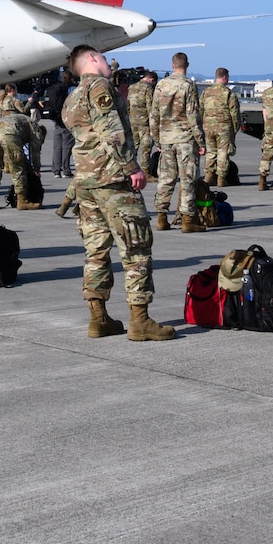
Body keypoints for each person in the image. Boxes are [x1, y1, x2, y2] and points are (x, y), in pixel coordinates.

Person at [64, 45, 169, 339]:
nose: (109, 63)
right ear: (93, 59)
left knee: (96, 251)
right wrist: (132, 167)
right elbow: (112, 131)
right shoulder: (100, 87)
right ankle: (140, 320)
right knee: (136, 248)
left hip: (86, 183)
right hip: (112, 181)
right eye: (104, 57)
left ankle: (98, 318)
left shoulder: (72, 97)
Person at [150, 53, 206, 232]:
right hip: (185, 139)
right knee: (187, 179)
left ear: (172, 65)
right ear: (187, 65)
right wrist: (200, 141)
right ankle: (188, 220)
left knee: (166, 179)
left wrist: (156, 138)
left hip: (166, 139)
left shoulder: (161, 84)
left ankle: (161, 217)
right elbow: (193, 115)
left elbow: (154, 114)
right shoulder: (188, 85)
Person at [0, 84, 39, 209]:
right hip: (10, 132)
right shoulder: (33, 125)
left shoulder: (2, 102)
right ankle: (22, 200)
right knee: (18, 167)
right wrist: (36, 168)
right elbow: (35, 150)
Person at [201, 68, 242, 187]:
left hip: (208, 127)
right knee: (223, 152)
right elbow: (235, 114)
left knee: (210, 152)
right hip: (223, 127)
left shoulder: (206, 92)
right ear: (224, 77)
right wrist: (234, 129)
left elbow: (200, 109)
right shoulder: (228, 93)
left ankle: (209, 175)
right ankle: (221, 178)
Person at [126, 72, 156, 181]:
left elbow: (128, 105)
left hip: (132, 121)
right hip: (145, 123)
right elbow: (150, 108)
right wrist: (154, 125)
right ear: (151, 80)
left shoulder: (131, 87)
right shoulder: (148, 89)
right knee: (146, 149)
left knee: (132, 148)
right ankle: (145, 172)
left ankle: (130, 171)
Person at [47, 69, 75, 176]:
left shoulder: (57, 88)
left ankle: (56, 170)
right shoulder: (71, 88)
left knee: (57, 147)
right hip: (66, 119)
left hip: (56, 119)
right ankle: (66, 170)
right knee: (67, 146)